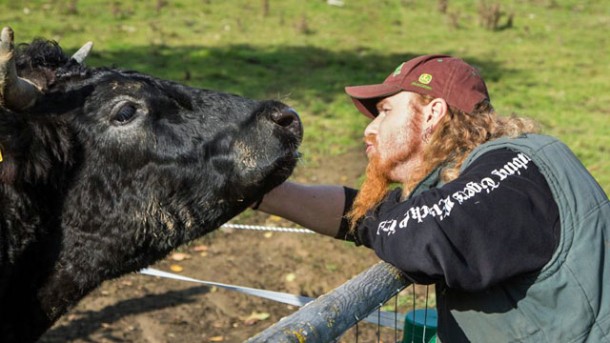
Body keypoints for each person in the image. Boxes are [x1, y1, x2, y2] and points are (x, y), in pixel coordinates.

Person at [253, 55, 610, 342]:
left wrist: (385, 220)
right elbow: (368, 217)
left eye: (385, 111)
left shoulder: (515, 165)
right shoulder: (474, 186)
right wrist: (254, 192)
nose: (370, 129)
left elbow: (420, 237)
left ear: (433, 113)